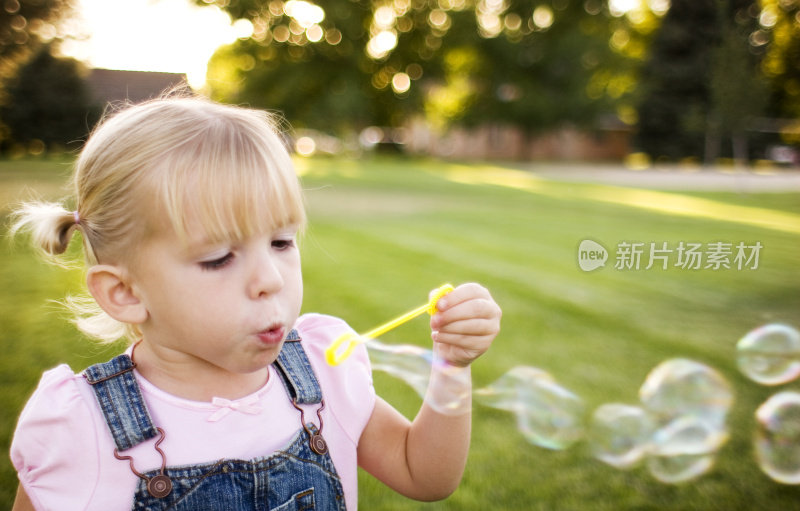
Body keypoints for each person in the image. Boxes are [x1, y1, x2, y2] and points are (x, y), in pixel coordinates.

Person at [8, 94, 502, 510]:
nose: (269, 279)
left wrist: (452, 364)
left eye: (282, 243)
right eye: (220, 257)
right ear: (126, 293)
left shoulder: (321, 371)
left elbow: (425, 475)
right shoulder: (81, 426)